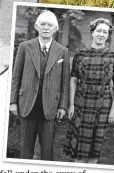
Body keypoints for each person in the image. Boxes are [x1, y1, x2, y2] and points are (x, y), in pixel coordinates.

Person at [9, 10, 70, 160]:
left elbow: (65, 82)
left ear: (55, 29)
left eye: (50, 25)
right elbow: (16, 76)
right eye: (43, 24)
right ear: (37, 27)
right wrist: (13, 102)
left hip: (50, 107)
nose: (46, 28)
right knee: (25, 150)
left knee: (47, 152)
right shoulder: (25, 47)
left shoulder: (63, 51)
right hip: (27, 105)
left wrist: (62, 106)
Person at [64, 18, 114, 163]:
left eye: (105, 32)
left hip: (103, 104)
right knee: (79, 145)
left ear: (108, 35)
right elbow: (73, 79)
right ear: (92, 33)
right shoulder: (80, 54)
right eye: (99, 31)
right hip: (82, 102)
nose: (102, 34)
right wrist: (71, 105)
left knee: (96, 143)